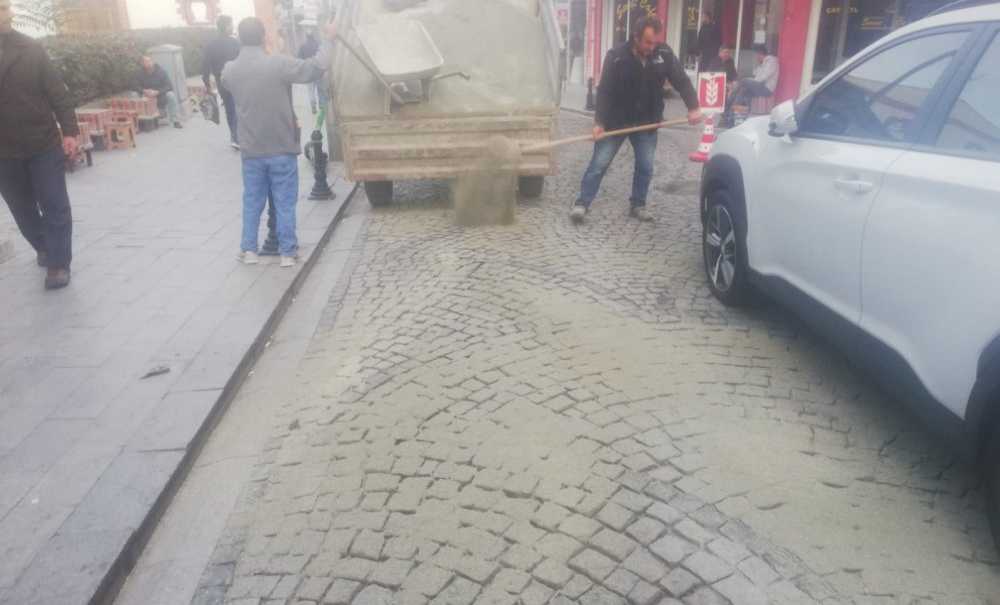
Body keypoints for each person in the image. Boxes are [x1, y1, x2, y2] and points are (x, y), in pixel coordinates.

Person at [222, 17, 334, 268]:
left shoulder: (230, 70)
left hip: (251, 148)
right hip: (281, 146)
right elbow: (315, 68)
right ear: (264, 37)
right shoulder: (278, 64)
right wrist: (329, 39)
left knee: (252, 201)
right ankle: (287, 253)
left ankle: (248, 250)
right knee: (284, 202)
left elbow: (226, 82)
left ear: (240, 38)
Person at [570, 16, 702, 224]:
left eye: (655, 42)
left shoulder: (664, 54)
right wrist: (599, 122)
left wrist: (693, 107)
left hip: (647, 122)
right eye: (648, 42)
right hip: (616, 121)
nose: (652, 47)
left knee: (645, 167)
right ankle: (582, 203)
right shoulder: (616, 56)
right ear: (635, 37)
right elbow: (605, 91)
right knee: (599, 163)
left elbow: (682, 81)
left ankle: (638, 204)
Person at [0, 0, 77, 289]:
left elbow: (57, 92)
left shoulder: (31, 49)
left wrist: (69, 132)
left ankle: (58, 264)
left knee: (54, 203)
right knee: (21, 209)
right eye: (1, 8)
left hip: (42, 143)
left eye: (6, 7)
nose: (8, 13)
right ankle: (45, 245)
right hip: (4, 151)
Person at [203, 15, 241, 149]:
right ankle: (238, 137)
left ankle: (235, 137)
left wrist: (207, 85)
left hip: (221, 82)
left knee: (230, 108)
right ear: (226, 26)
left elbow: (205, 66)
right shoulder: (235, 43)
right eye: (231, 24)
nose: (233, 27)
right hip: (237, 79)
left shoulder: (210, 45)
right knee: (239, 108)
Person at [137, 56, 182, 129]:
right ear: (142, 64)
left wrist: (158, 92)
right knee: (135, 95)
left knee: (171, 95)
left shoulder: (161, 71)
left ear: (153, 61)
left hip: (160, 94)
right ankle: (143, 123)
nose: (148, 63)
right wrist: (144, 91)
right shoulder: (139, 73)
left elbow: (169, 86)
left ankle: (176, 120)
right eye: (145, 62)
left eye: (149, 61)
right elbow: (135, 86)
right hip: (147, 95)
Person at [730, 43, 779, 108]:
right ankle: (736, 108)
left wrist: (751, 81)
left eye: (756, 55)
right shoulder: (762, 63)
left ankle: (730, 101)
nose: (756, 57)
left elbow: (763, 77)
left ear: (760, 54)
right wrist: (751, 81)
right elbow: (755, 75)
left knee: (744, 81)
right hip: (760, 86)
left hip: (767, 89)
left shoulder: (771, 61)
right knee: (744, 90)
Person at [297, 31, 323, 114]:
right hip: (318, 70)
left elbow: (299, 58)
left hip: (308, 71)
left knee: (310, 90)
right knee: (319, 89)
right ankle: (321, 105)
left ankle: (313, 106)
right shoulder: (318, 45)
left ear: (306, 37)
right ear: (313, 36)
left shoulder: (302, 46)